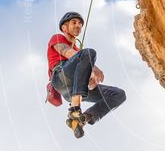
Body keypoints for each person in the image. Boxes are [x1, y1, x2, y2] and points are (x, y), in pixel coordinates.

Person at [47, 11, 126, 139]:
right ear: (64, 27)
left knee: (118, 95)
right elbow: (66, 52)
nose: (78, 25)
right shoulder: (57, 38)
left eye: (80, 24)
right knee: (88, 53)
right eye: (74, 22)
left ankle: (82, 119)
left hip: (73, 90)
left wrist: (90, 80)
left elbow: (83, 72)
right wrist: (93, 67)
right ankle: (74, 110)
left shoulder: (80, 52)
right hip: (60, 78)